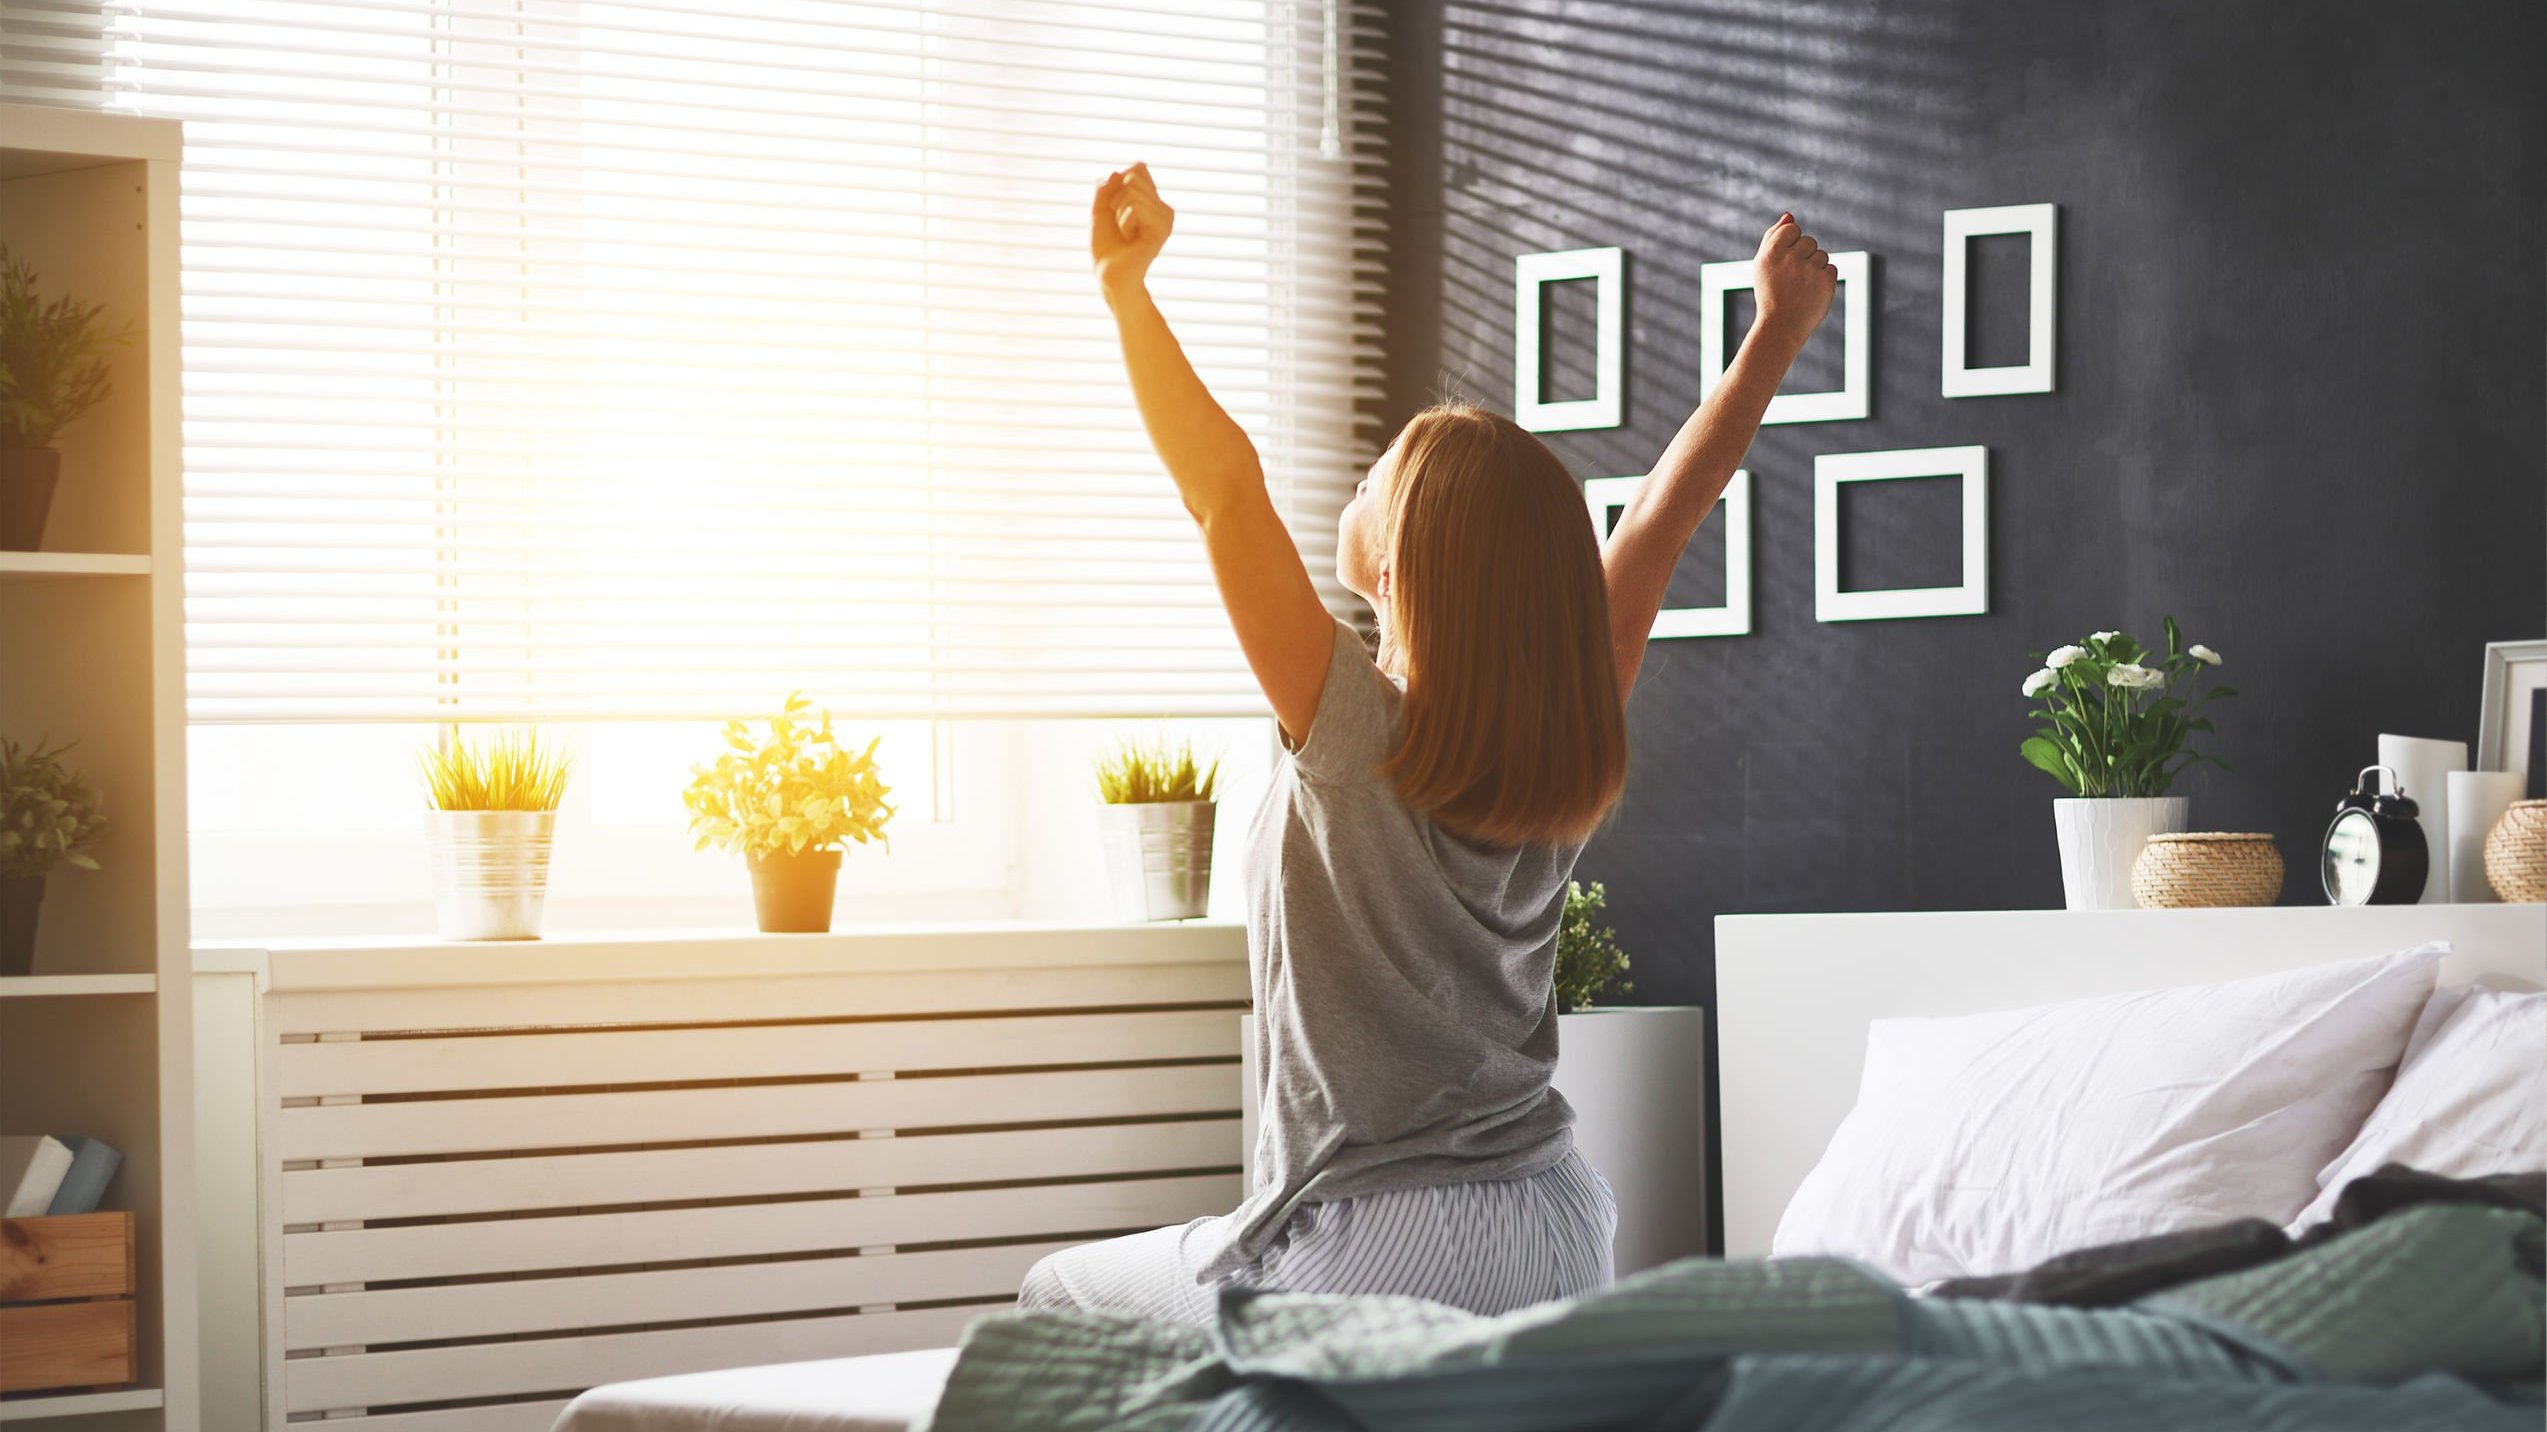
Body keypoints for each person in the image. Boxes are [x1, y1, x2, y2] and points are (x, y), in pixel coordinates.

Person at [1017, 163, 1838, 1322]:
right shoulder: (1569, 724)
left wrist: (1126, 294)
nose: (1356, 479)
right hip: (1555, 1222)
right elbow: (1668, 507)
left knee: (1057, 1293)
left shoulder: (1350, 725)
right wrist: (1778, 332)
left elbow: (1225, 492)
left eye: (1376, 474)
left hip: (1375, 1238)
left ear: (1404, 563)